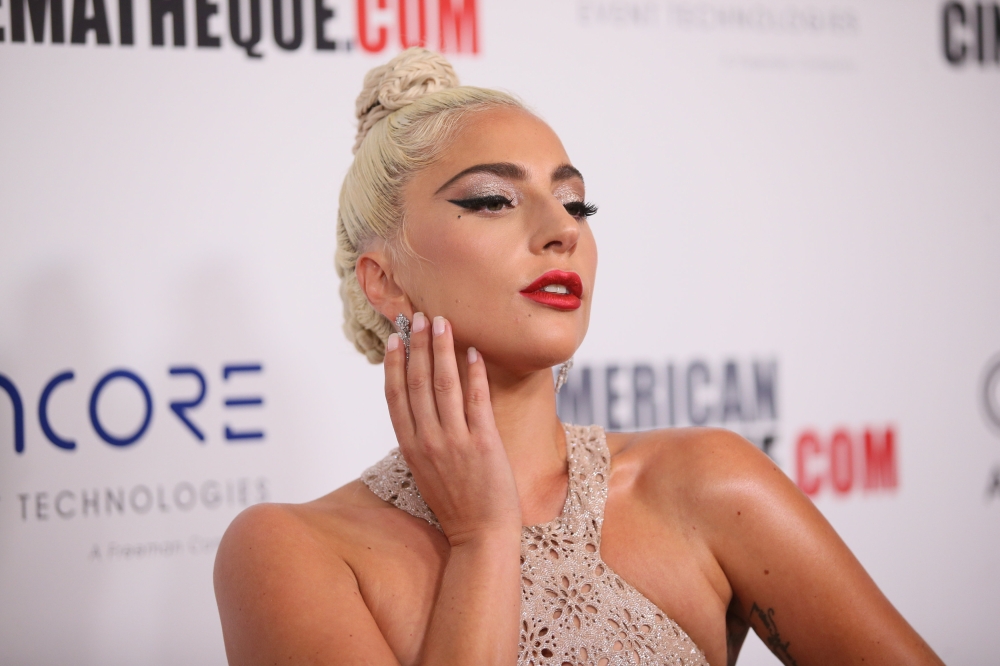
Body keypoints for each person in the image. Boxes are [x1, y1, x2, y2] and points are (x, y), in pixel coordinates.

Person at [213, 48, 944, 666]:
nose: (561, 229)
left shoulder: (707, 487)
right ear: (385, 280)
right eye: (494, 200)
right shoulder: (289, 552)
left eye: (576, 204)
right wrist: (482, 538)